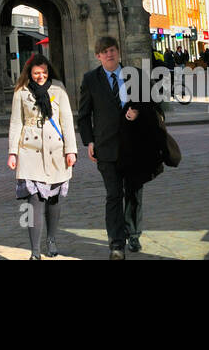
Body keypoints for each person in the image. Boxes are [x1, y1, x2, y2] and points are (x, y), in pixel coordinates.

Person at [77, 37, 164, 260]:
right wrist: (90, 141)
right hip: (106, 148)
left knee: (134, 193)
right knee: (114, 195)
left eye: (112, 50)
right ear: (98, 56)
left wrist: (138, 112)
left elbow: (153, 104)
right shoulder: (90, 80)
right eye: (104, 52)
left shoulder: (135, 75)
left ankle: (133, 233)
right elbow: (84, 116)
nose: (109, 55)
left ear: (118, 52)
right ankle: (116, 243)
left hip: (134, 146)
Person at [7, 53, 77, 260]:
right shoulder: (21, 92)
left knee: (54, 200)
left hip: (56, 150)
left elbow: (66, 121)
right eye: (37, 73)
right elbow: (15, 122)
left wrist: (71, 150)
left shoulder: (59, 89)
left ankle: (52, 240)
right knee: (33, 201)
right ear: (29, 72)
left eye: (44, 72)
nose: (41, 76)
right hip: (29, 151)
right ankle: (35, 251)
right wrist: (12, 152)